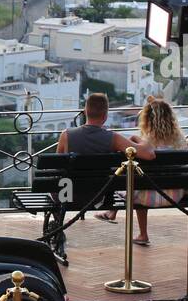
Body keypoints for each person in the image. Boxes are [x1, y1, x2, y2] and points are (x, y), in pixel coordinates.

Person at [49, 93, 155, 257]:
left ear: (85, 111)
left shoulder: (66, 135)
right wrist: (142, 140)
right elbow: (149, 154)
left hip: (67, 195)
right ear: (105, 116)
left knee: (57, 186)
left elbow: (58, 168)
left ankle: (57, 228)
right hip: (98, 197)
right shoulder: (113, 138)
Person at [96, 96, 188, 246]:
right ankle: (115, 214)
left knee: (137, 182)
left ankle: (141, 232)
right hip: (175, 194)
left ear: (147, 119)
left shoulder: (146, 143)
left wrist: (134, 138)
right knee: (141, 182)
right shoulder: (181, 140)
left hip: (148, 197)